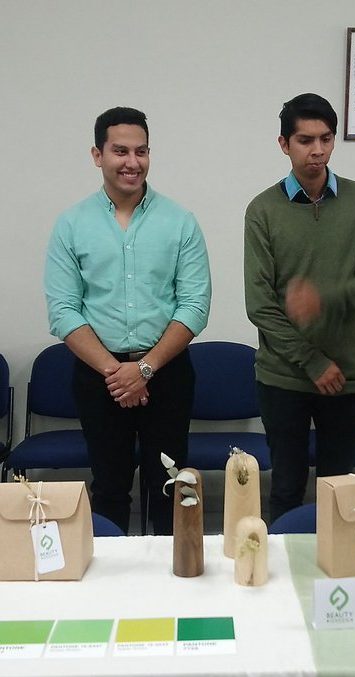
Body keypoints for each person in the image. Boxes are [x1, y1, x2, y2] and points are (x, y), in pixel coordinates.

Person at [44, 107, 211, 535]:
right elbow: (63, 309)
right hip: (100, 378)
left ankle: (172, 573)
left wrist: (145, 369)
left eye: (141, 151)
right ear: (97, 155)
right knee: (109, 489)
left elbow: (194, 305)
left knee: (170, 487)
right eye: (120, 151)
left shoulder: (180, 222)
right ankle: (110, 576)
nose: (132, 162)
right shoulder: (72, 224)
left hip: (167, 373)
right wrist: (117, 373)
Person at [244, 93, 355, 523]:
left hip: (347, 373)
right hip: (284, 376)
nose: (317, 150)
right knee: (286, 488)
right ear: (284, 144)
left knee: (339, 492)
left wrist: (321, 298)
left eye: (326, 138)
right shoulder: (263, 210)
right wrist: (312, 361)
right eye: (305, 140)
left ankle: (333, 565)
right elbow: (260, 305)